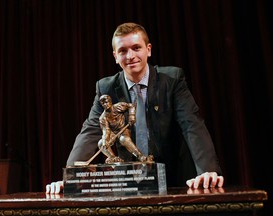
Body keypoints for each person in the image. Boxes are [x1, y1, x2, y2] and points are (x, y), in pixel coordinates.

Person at [46, 22, 224, 194]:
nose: (130, 56)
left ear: (148, 49)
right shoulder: (106, 88)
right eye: (123, 51)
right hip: (130, 183)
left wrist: (207, 170)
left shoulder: (172, 80)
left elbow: (191, 124)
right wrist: (70, 177)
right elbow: (91, 131)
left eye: (136, 48)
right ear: (115, 56)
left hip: (175, 177)